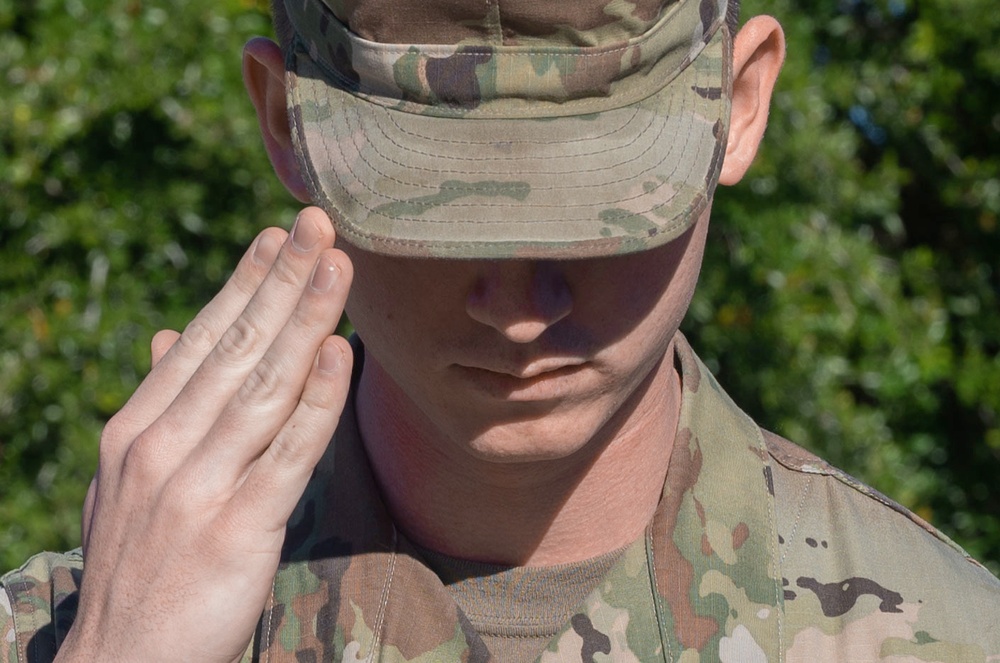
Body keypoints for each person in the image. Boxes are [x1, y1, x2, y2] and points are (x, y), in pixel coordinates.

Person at [2, 0, 998, 660]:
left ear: (739, 107)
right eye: (433, 205)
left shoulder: (943, 638)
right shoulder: (65, 634)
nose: (520, 310)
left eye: (603, 206)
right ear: (284, 125)